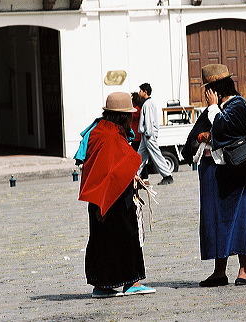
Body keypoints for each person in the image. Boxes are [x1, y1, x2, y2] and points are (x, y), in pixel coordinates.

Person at [182, 64, 246, 287]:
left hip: (236, 170)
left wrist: (214, 113)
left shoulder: (238, 105)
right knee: (216, 220)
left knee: (242, 219)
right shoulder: (213, 108)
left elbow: (229, 129)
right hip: (213, 171)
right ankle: (219, 270)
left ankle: (244, 270)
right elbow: (199, 133)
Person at [77, 92, 156, 298]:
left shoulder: (99, 131)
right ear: (124, 117)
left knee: (101, 240)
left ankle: (102, 285)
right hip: (113, 198)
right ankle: (132, 282)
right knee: (126, 236)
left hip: (98, 197)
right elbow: (117, 167)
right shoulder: (112, 135)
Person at [136, 83, 174, 185]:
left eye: (140, 91)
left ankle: (167, 175)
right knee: (140, 156)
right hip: (147, 134)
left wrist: (148, 133)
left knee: (155, 155)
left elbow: (148, 120)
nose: (139, 93)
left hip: (148, 135)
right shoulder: (149, 103)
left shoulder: (147, 104)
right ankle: (135, 175)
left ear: (145, 92)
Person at [130, 92, 149, 182]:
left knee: (138, 159)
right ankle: (143, 176)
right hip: (137, 137)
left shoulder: (136, 110)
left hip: (137, 138)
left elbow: (133, 114)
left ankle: (142, 176)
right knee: (140, 158)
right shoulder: (139, 109)